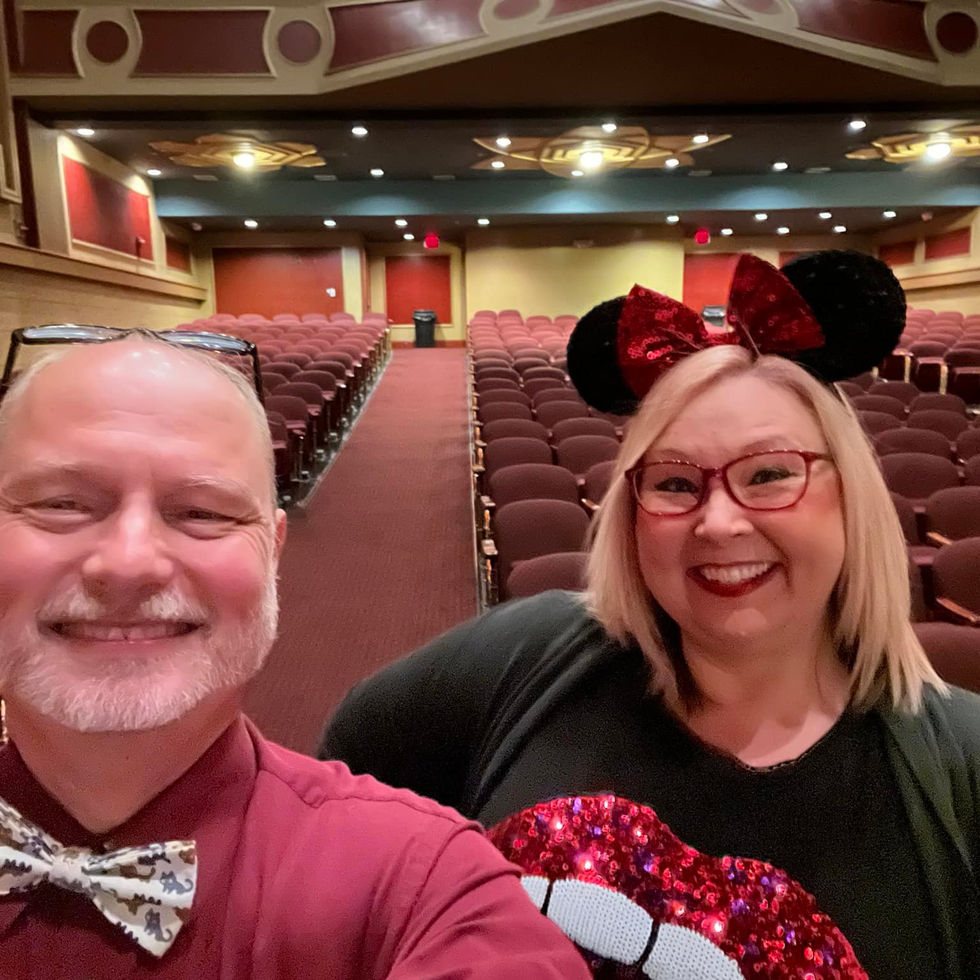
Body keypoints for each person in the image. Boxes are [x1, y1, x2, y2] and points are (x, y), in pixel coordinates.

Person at [322, 251, 980, 980]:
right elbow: (323, 815)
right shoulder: (523, 656)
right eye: (674, 483)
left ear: (850, 494)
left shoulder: (964, 767)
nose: (720, 522)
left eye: (769, 475)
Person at [0, 332, 591, 979]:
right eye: (62, 504)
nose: (128, 562)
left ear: (272, 553)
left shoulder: (422, 885)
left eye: (201, 511)